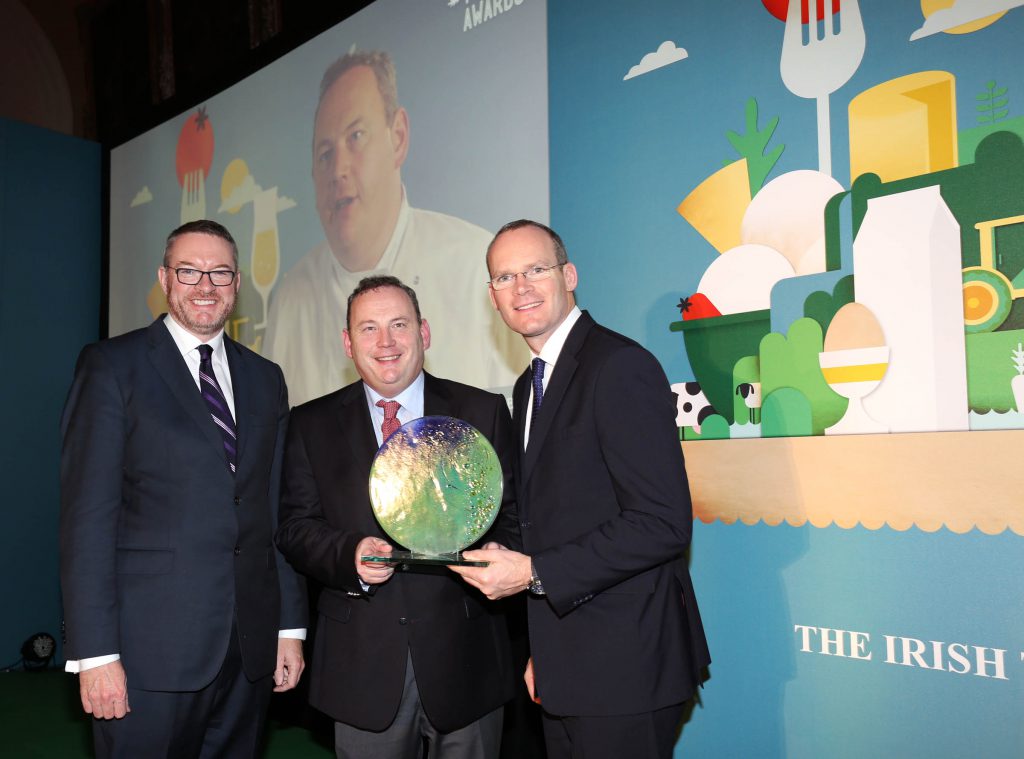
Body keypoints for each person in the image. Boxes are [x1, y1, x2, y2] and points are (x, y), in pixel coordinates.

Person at [450, 220, 711, 759]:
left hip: (628, 666)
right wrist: (543, 642)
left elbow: (662, 522)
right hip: (567, 664)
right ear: (492, 298)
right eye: (504, 276)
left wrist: (533, 571)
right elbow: (555, 519)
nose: (520, 287)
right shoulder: (529, 386)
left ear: (568, 275)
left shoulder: (619, 366)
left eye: (535, 270)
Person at [59, 219, 307, 758]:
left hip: (248, 650)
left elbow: (271, 512)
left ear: (237, 283)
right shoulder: (111, 366)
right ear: (164, 279)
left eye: (219, 273)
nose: (205, 285)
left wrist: (289, 625)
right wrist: (95, 654)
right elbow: (87, 521)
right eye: (189, 271)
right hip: (146, 653)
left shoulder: (267, 378)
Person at [275, 275, 517, 759]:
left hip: (465, 659)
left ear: (424, 333)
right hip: (361, 665)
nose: (385, 343)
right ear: (347, 343)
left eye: (399, 325)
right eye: (368, 329)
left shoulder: (481, 411)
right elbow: (294, 526)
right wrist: (348, 555)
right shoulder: (309, 423)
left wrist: (497, 548)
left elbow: (514, 515)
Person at [263, 50, 527, 406]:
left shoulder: (473, 266)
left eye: (356, 137)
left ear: (398, 137)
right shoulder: (290, 299)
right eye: (324, 154)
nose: (338, 169)